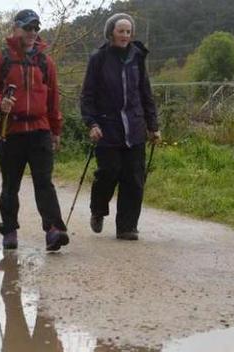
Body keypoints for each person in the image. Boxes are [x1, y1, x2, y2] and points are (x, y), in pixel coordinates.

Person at [0, 9, 69, 252]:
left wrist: (56, 130)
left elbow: (53, 100)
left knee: (44, 182)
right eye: (27, 27)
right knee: (10, 185)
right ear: (15, 28)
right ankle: (9, 229)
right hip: (12, 130)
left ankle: (54, 230)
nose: (32, 33)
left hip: (40, 129)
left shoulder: (45, 62)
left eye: (35, 28)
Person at [80, 13, 160, 241]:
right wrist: (91, 123)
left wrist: (153, 126)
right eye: (120, 31)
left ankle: (127, 226)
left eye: (128, 31)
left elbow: (146, 93)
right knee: (109, 172)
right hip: (107, 127)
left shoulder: (138, 57)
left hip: (135, 127)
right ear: (111, 33)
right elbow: (87, 95)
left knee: (134, 178)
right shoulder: (99, 58)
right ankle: (98, 209)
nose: (125, 35)